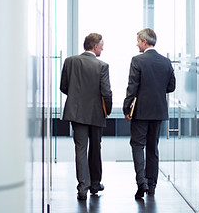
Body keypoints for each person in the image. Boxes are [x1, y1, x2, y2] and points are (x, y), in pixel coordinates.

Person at [123, 28, 176, 199]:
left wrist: (126, 108)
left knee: (138, 146)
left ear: (145, 42)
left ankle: (142, 182)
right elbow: (171, 86)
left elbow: (132, 88)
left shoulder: (137, 60)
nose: (136, 44)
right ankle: (152, 185)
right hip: (158, 111)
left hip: (140, 112)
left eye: (138, 41)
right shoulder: (166, 62)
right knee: (153, 148)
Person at [60, 33, 112, 201]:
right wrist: (107, 110)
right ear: (95, 46)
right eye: (102, 45)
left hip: (76, 113)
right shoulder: (102, 66)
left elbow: (64, 86)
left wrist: (76, 98)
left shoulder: (70, 61)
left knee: (80, 149)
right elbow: (106, 92)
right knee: (95, 148)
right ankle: (95, 185)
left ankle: (83, 188)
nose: (103, 48)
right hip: (96, 113)